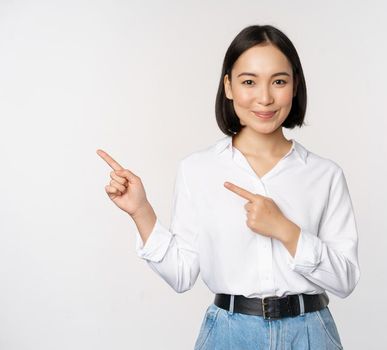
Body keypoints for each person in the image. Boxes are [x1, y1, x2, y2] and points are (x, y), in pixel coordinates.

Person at [97, 24, 360, 349]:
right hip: (229, 335)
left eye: (279, 81)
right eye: (249, 81)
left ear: (294, 86)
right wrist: (141, 212)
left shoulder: (325, 175)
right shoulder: (198, 170)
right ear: (229, 86)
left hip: (309, 334)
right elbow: (181, 274)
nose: (264, 97)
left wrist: (286, 231)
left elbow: (345, 280)